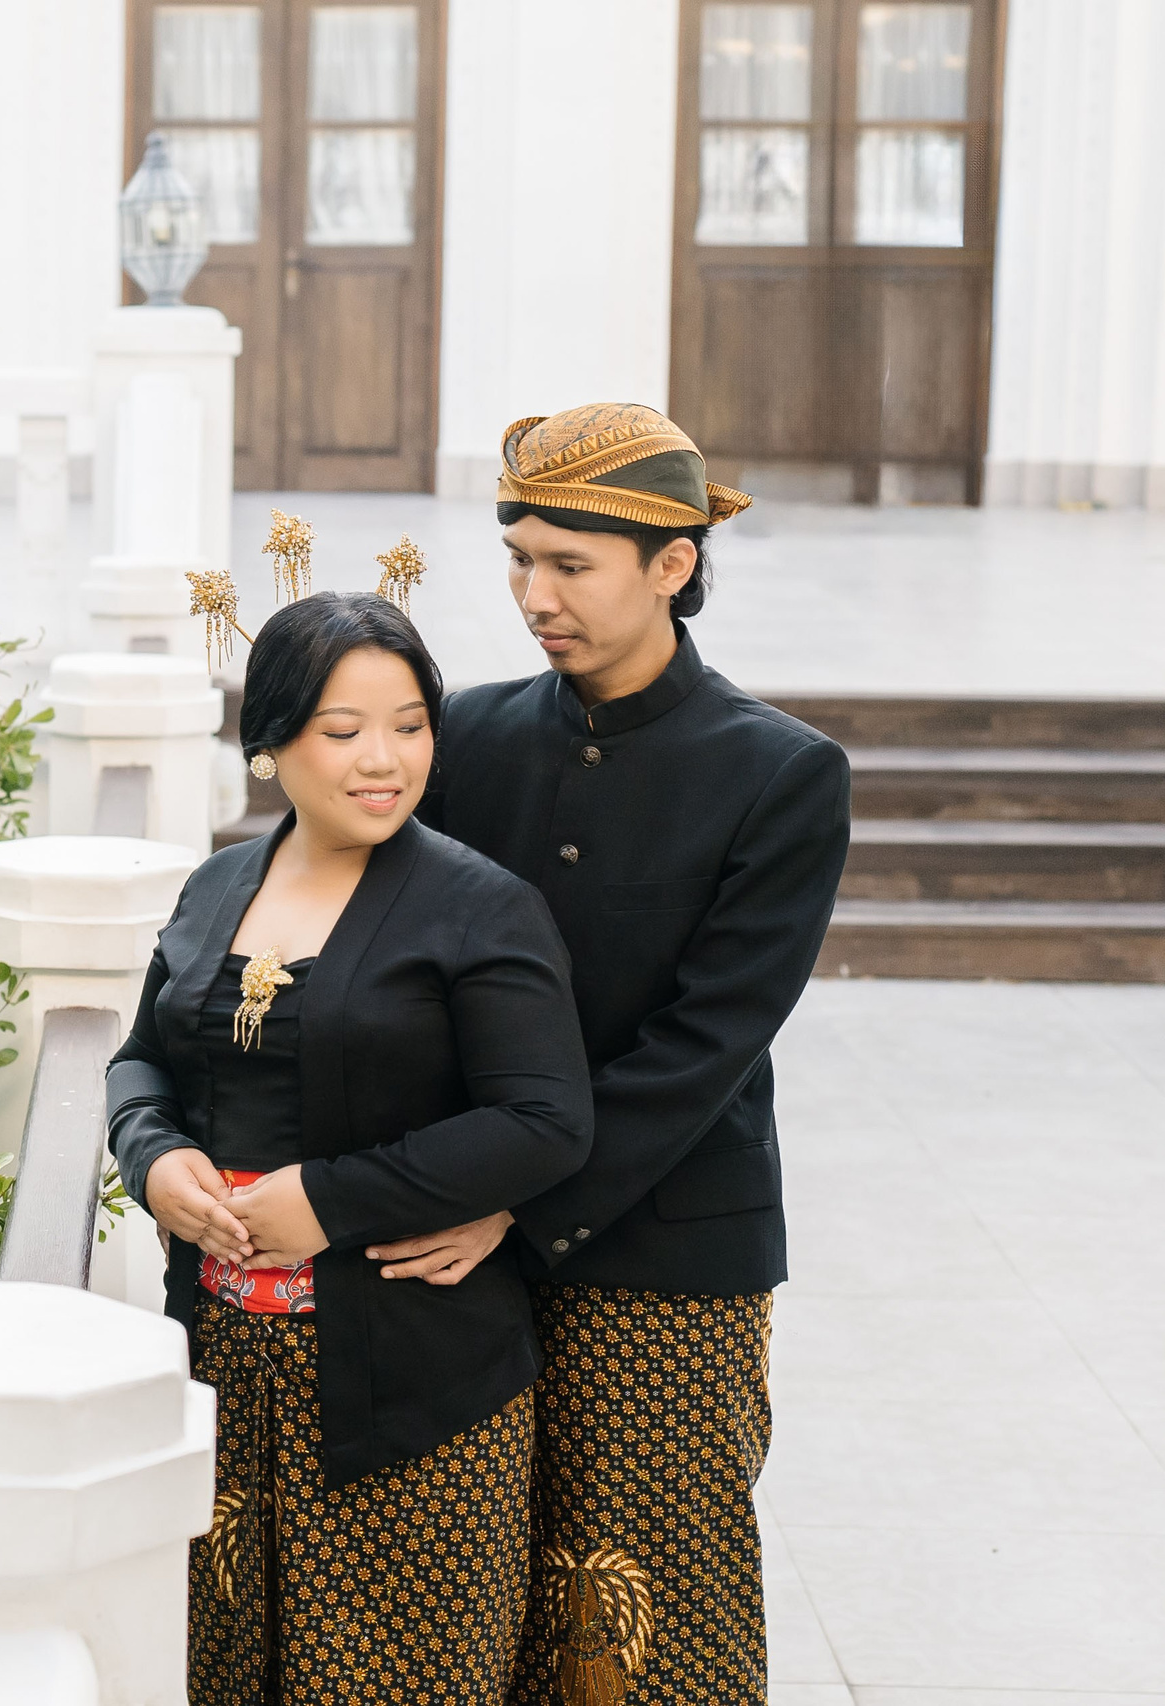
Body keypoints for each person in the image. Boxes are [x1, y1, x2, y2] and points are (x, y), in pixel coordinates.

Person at [387, 404, 852, 1706]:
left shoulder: (780, 775)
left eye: (570, 564)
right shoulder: (462, 738)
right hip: (451, 1243)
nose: (536, 595)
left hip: (661, 1250)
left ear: (675, 561)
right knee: (461, 1594)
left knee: (637, 1606)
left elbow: (702, 1047)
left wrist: (511, 1199)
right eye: (519, 558)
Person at [108, 591, 596, 1705]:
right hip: (224, 1372)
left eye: (411, 724)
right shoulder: (217, 883)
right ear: (273, 744)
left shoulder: (479, 907)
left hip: (414, 1393)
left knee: (390, 1677)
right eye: (343, 731)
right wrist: (152, 1158)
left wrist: (331, 1199)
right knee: (227, 1666)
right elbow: (141, 1059)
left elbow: (544, 1118)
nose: (384, 759)